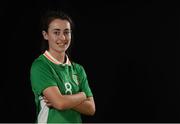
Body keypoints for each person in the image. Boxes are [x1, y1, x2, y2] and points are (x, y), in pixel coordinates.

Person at [30, 9, 95, 123]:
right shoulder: (40, 66)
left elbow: (91, 108)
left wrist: (64, 100)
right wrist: (82, 95)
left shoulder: (78, 69)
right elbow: (60, 103)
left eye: (66, 32)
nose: (63, 38)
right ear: (45, 35)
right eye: (56, 32)